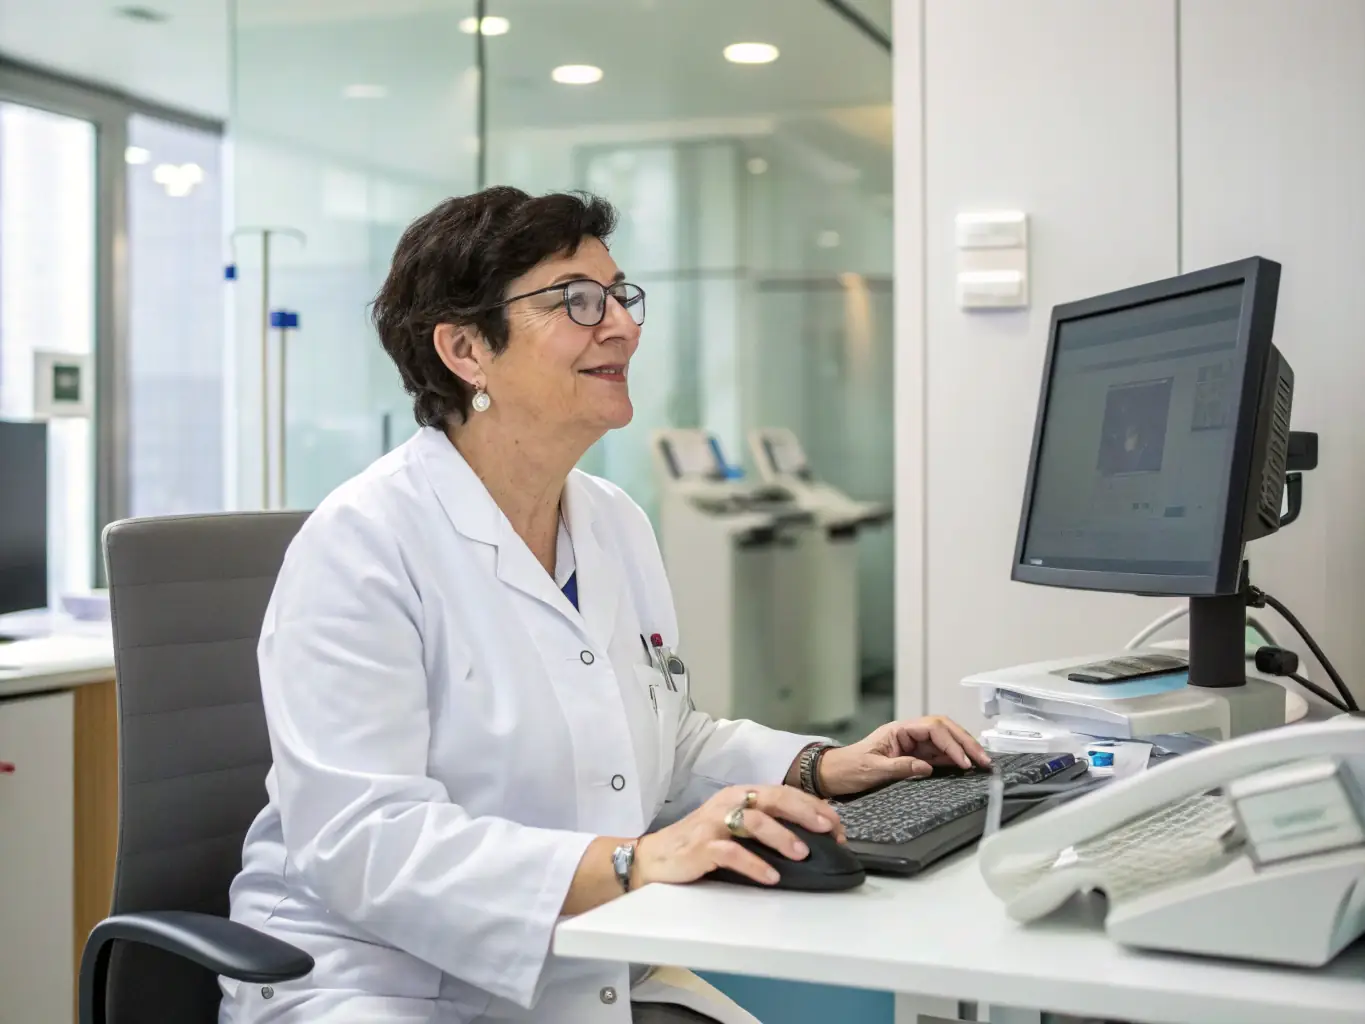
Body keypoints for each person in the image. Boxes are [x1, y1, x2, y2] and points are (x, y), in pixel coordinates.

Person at [219, 187, 990, 1024]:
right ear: (466, 349)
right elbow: (363, 843)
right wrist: (632, 863)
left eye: (620, 296)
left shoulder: (610, 520)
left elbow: (661, 738)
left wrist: (818, 766)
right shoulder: (364, 543)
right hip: (377, 983)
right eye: (578, 301)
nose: (622, 325)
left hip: (584, 958)